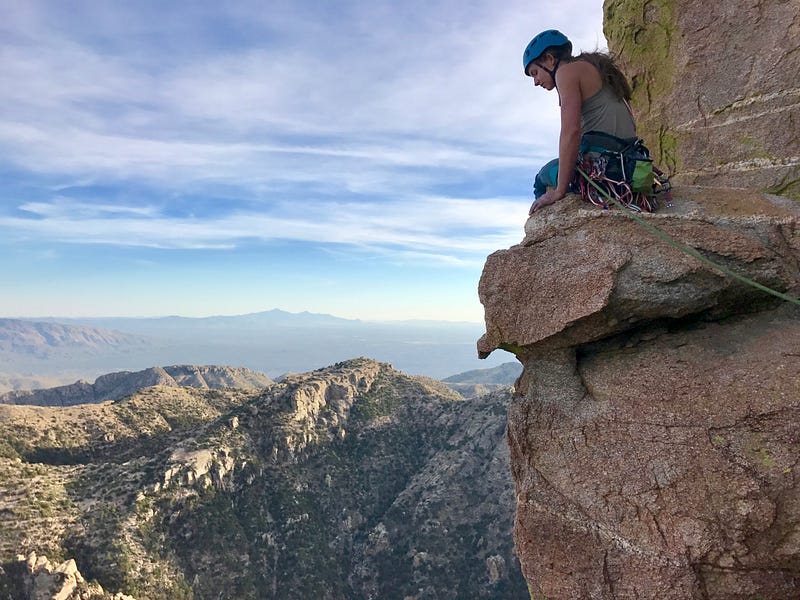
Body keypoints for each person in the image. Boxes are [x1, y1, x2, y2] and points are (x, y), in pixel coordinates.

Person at [523, 30, 636, 214]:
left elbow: (571, 132)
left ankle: (545, 221)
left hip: (607, 170)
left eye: (535, 72)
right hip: (629, 164)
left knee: (543, 176)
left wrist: (560, 190)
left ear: (550, 59)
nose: (536, 82)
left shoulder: (566, 73)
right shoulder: (596, 69)